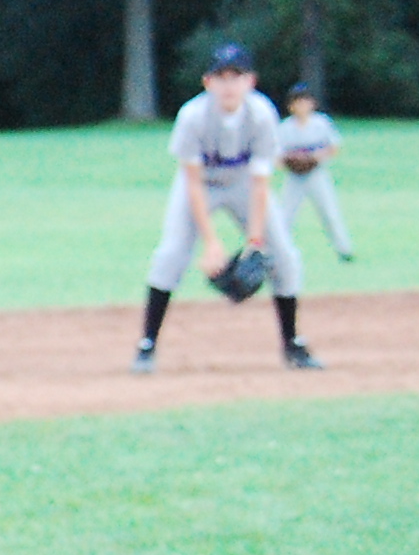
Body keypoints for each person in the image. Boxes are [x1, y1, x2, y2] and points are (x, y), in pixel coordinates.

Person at [131, 43, 320, 373]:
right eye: (221, 77)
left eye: (237, 76)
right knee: (171, 255)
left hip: (244, 183)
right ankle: (147, 345)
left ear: (251, 81)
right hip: (200, 184)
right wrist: (211, 242)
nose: (229, 85)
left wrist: (255, 241)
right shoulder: (193, 116)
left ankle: (293, 345)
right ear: (207, 82)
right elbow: (192, 183)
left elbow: (260, 183)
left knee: (284, 257)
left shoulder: (261, 114)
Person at [275, 82, 356, 262]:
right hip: (294, 178)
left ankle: (344, 250)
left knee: (329, 213)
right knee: (285, 216)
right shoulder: (285, 128)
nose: (301, 105)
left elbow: (334, 147)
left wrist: (313, 158)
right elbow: (277, 158)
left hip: (317, 175)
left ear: (312, 103)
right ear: (290, 106)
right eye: (297, 102)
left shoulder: (321, 123)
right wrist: (292, 161)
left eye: (305, 101)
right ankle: (277, 252)